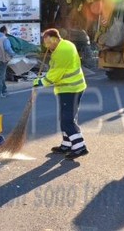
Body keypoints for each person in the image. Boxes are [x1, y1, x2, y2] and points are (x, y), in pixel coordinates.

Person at [33, 28, 88, 160]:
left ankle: (80, 147)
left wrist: (41, 82)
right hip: (72, 87)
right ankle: (67, 144)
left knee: (67, 121)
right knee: (66, 118)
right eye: (45, 43)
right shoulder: (65, 45)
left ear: (56, 39)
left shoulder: (62, 52)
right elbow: (54, 67)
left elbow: (55, 74)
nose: (47, 45)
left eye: (49, 42)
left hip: (70, 88)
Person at [0, 26, 16, 98]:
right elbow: (8, 48)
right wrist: (13, 54)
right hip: (2, 59)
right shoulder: (5, 39)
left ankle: (4, 90)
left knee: (1, 75)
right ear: (5, 31)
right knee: (1, 76)